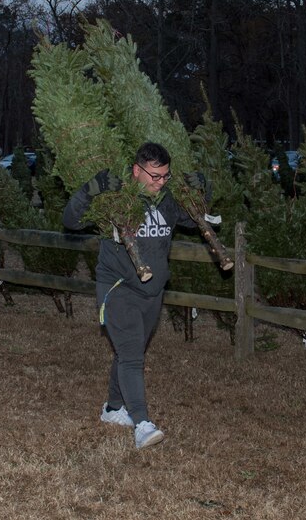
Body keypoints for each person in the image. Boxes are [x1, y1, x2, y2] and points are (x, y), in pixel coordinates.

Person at [63, 141, 204, 449]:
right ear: (136, 170)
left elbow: (193, 220)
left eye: (165, 176)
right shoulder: (115, 200)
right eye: (154, 175)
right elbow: (70, 221)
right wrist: (90, 189)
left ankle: (114, 408)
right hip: (118, 288)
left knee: (131, 349)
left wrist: (199, 191)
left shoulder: (165, 200)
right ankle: (141, 423)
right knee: (131, 355)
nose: (160, 182)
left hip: (152, 292)